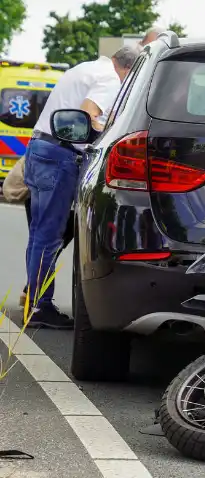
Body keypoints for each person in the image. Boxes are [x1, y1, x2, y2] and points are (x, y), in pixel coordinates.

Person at [22, 44, 141, 329]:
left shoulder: (85, 68)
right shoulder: (111, 79)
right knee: (49, 235)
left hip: (40, 149)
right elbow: (88, 114)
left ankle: (34, 299)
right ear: (128, 70)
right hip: (60, 156)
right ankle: (40, 306)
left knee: (40, 232)